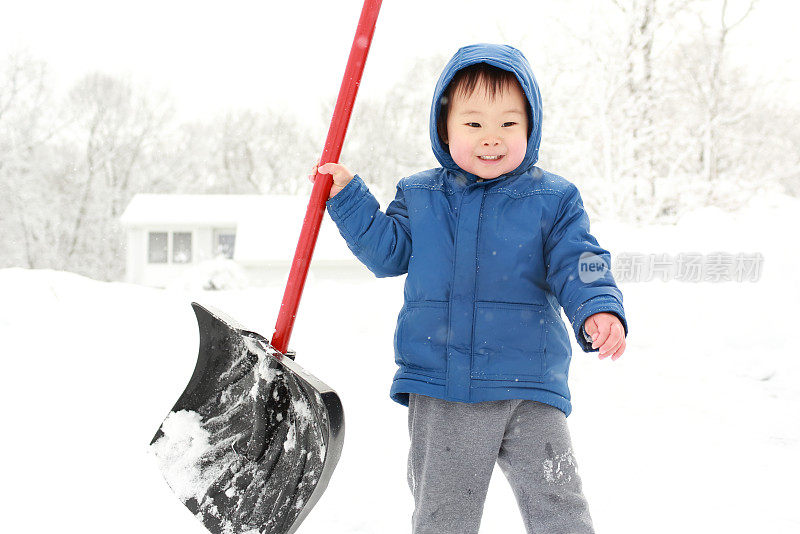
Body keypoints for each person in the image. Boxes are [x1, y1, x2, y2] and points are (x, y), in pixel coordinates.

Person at [310, 43, 628, 534]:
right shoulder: (420, 195)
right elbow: (386, 254)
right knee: (443, 516)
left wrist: (599, 307)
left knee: (559, 506)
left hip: (530, 384)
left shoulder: (553, 199)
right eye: (474, 123)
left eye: (508, 123)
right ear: (445, 128)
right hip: (445, 388)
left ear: (531, 128)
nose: (491, 138)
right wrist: (350, 199)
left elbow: (581, 259)